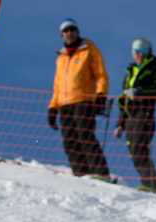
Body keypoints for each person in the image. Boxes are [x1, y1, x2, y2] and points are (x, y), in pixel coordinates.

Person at [47, 18, 111, 178]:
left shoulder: (89, 50)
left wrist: (101, 95)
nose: (69, 33)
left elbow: (101, 75)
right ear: (62, 35)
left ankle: (102, 174)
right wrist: (53, 108)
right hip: (65, 105)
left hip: (84, 101)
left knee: (85, 136)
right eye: (66, 31)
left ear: (77, 32)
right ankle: (81, 175)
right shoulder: (61, 58)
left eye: (72, 30)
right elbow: (57, 86)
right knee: (70, 142)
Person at [113, 38, 156, 195]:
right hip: (131, 116)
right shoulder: (130, 73)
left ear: (149, 52)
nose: (140, 55)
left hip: (145, 114)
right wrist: (120, 124)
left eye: (144, 51)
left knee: (139, 149)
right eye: (137, 51)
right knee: (134, 151)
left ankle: (151, 185)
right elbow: (124, 101)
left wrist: (140, 93)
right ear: (132, 53)